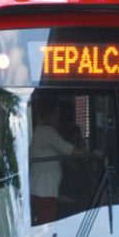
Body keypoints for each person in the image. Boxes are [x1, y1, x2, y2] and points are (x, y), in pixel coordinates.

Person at [29, 96, 86, 225]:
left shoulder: (40, 131)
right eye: (57, 113)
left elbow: (67, 160)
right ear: (50, 113)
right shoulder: (47, 132)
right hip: (44, 197)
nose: (58, 117)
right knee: (47, 231)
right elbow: (70, 150)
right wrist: (92, 155)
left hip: (43, 193)